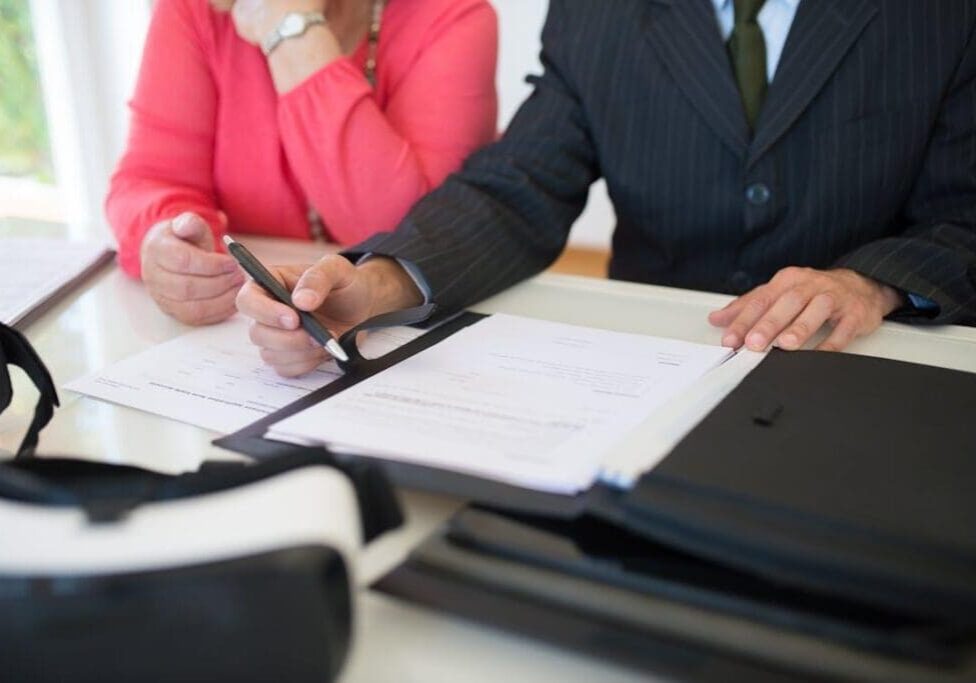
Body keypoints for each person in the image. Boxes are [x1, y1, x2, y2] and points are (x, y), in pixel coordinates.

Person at [237, 0, 976, 377]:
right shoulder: (599, 11)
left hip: (865, 364)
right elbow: (516, 187)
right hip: (654, 370)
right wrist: (377, 285)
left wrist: (871, 281)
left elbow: (964, 215)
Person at [106, 0, 497, 325]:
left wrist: (292, 31)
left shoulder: (453, 16)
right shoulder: (195, 10)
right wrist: (167, 242)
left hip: (402, 334)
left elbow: (413, 236)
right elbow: (150, 179)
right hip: (247, 335)